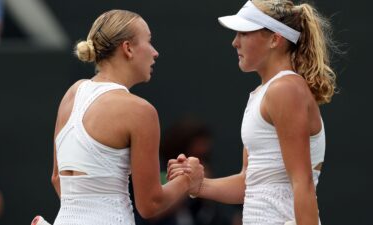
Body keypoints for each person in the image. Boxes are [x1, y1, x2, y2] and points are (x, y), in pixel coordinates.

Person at [168, 0, 338, 225]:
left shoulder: (285, 89)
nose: (234, 42)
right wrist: (198, 185)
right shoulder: (263, 93)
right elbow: (249, 182)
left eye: (244, 33)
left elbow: (302, 182)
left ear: (274, 39)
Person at [47, 9, 203, 225]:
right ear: (128, 48)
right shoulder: (140, 110)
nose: (155, 52)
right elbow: (151, 204)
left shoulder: (72, 93)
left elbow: (58, 178)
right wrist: (188, 178)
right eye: (148, 41)